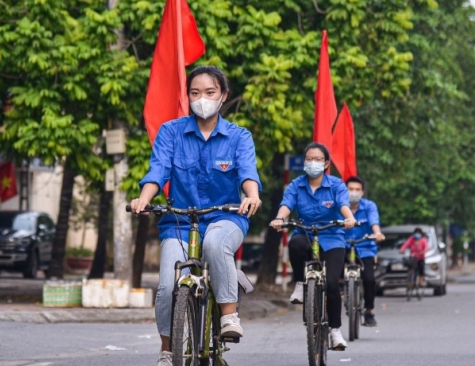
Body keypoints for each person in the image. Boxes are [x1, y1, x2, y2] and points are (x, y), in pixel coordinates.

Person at [129, 66, 262, 366]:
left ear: (223, 96)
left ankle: (229, 316)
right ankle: (167, 350)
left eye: (210, 92)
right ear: (187, 96)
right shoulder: (171, 132)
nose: (202, 98)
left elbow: (247, 173)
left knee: (216, 244)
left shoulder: (239, 136)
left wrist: (252, 196)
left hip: (226, 218)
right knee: (167, 285)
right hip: (178, 221)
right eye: (195, 92)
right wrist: (144, 199)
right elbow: (157, 171)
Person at [270, 142, 357, 351]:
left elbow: (344, 204)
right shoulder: (296, 185)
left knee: (333, 285)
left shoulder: (336, 185)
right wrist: (279, 218)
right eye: (309, 158)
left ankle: (335, 330)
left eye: (318, 159)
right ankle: (300, 284)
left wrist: (349, 218)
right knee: (295, 243)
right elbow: (286, 205)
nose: (313, 162)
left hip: (333, 237)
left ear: (326, 163)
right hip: (305, 234)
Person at [343, 176, 385, 327]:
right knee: (332, 276)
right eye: (350, 189)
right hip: (343, 246)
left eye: (357, 190)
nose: (354, 192)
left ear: (362, 192)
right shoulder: (339, 206)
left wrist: (378, 233)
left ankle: (368, 312)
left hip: (365, 248)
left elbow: (374, 222)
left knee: (369, 280)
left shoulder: (369, 206)